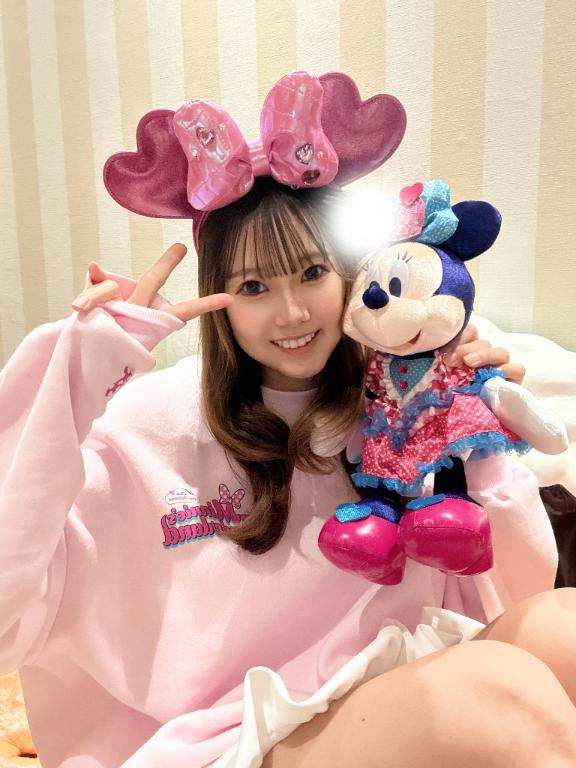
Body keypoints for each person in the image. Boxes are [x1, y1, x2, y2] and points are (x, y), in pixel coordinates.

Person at [1, 71, 575, 768]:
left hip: (392, 677)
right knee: (501, 696)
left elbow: (516, 587)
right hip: (239, 735)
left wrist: (474, 435)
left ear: (348, 272)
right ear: (219, 299)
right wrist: (79, 370)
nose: (293, 313)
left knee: (564, 623)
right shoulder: (146, 425)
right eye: (253, 287)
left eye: (311, 273)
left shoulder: (392, 402)